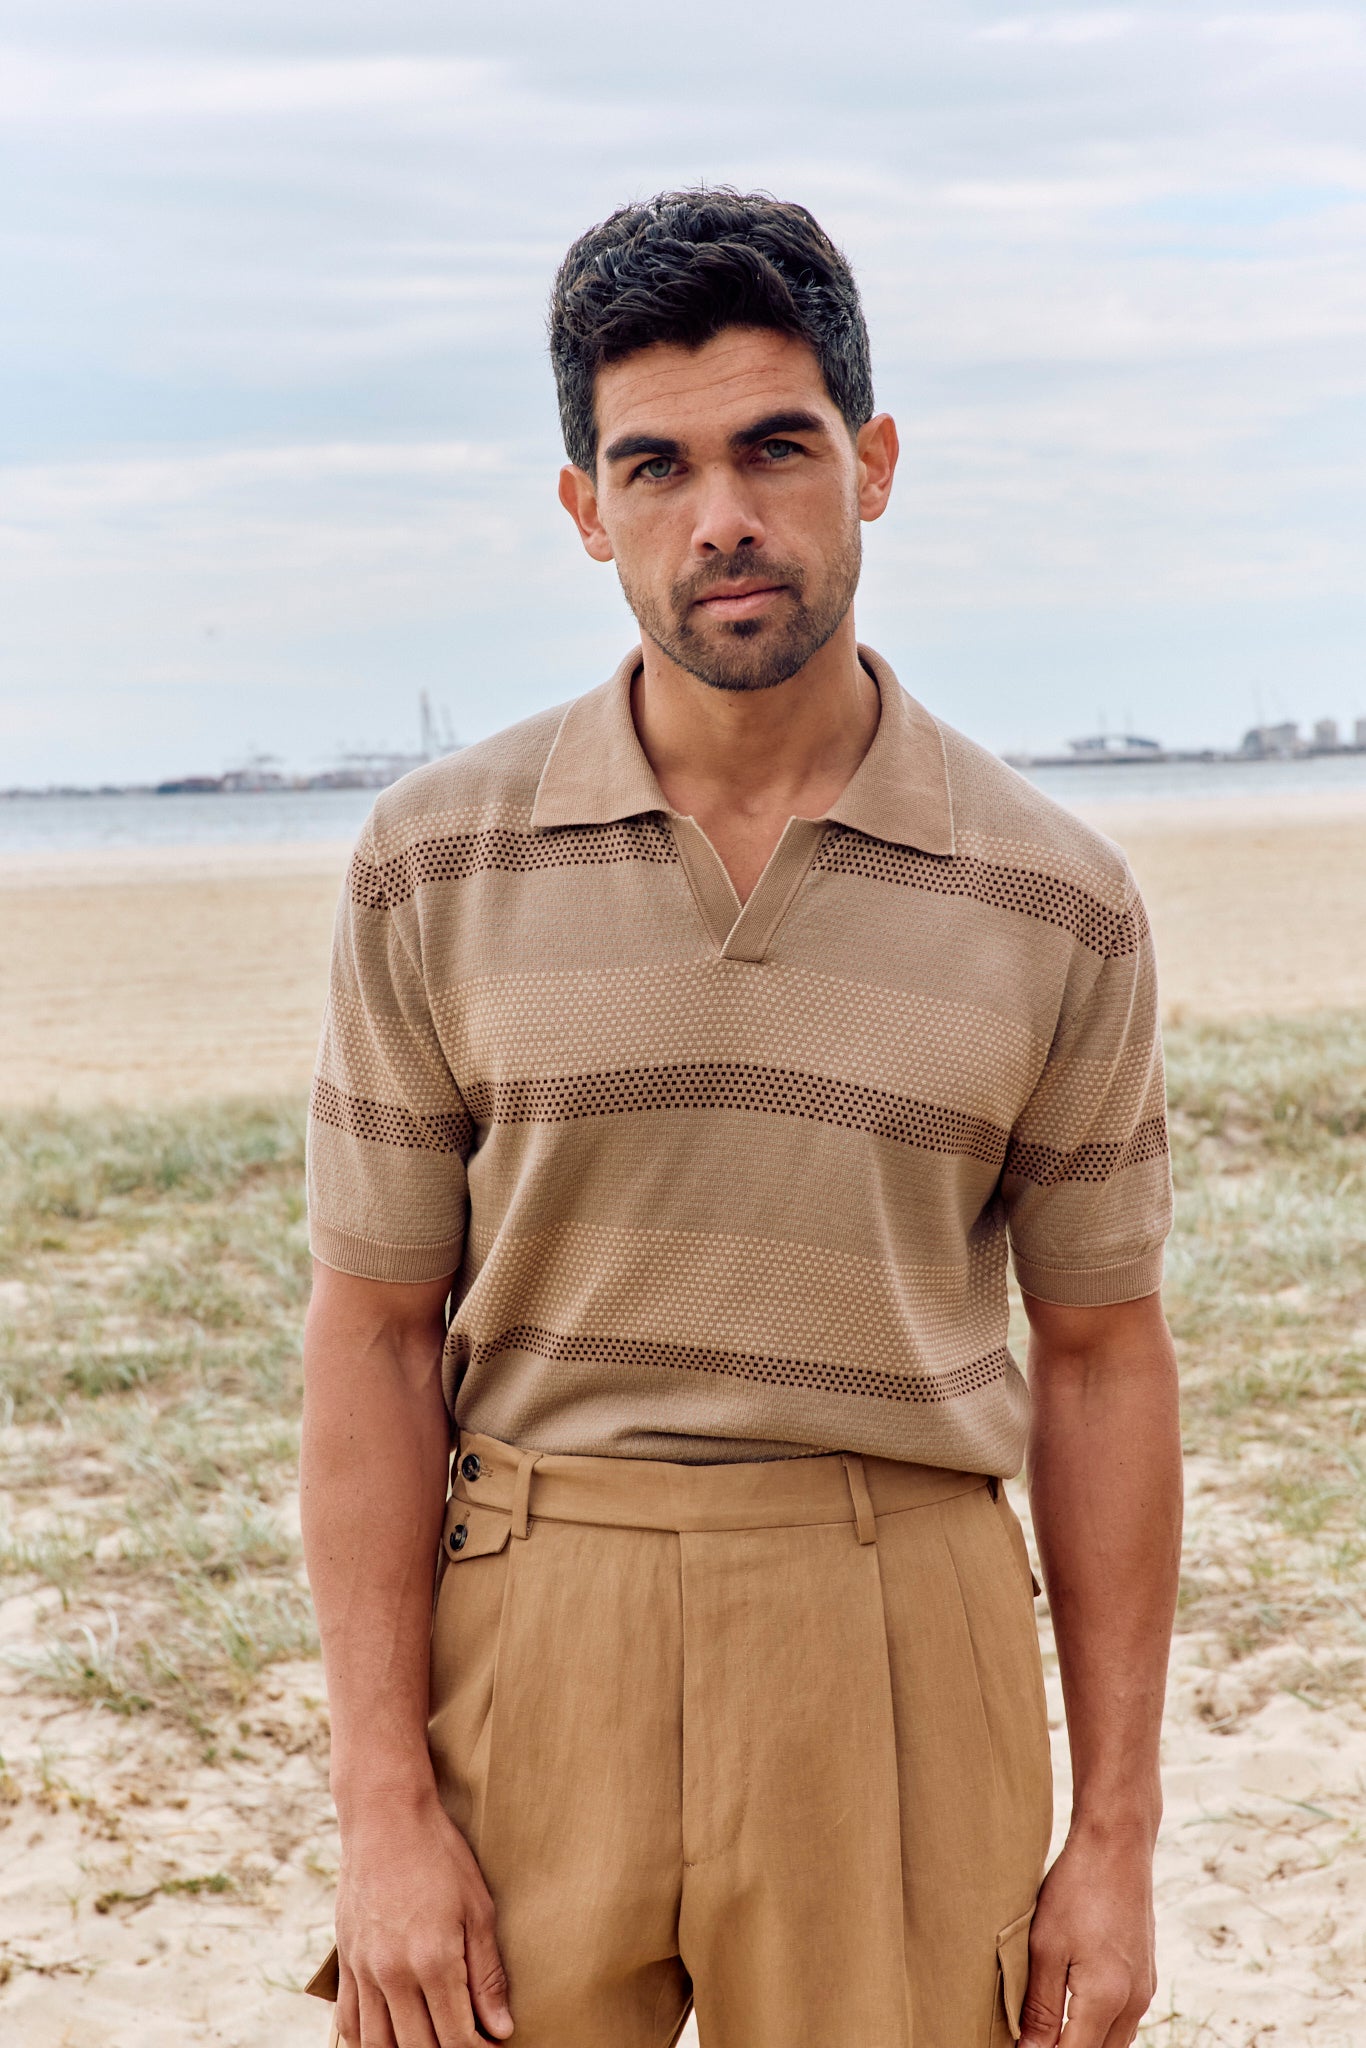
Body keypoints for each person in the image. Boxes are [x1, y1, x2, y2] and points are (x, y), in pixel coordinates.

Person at [299, 189, 1182, 2048]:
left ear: (871, 465)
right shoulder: (431, 861)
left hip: (901, 1637)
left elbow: (1103, 1357)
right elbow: (371, 1332)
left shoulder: (1055, 892)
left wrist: (1113, 1836)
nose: (722, 518)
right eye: (656, 467)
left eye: (776, 448)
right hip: (531, 1632)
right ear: (584, 508)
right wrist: (380, 1809)